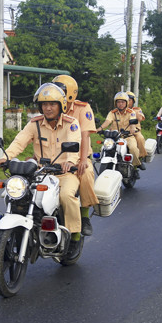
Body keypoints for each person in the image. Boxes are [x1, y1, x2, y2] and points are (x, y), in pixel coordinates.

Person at [0, 83, 83, 257]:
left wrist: (69, 161)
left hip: (64, 173)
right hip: (40, 174)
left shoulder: (71, 124)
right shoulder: (34, 124)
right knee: (16, 194)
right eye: (44, 104)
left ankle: (74, 237)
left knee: (66, 196)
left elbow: (75, 145)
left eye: (52, 104)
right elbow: (20, 141)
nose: (48, 108)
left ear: (61, 105)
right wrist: (6, 157)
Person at [52, 74, 98, 236]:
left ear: (70, 93)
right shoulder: (54, 107)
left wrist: (83, 160)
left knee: (85, 174)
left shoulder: (82, 108)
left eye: (62, 91)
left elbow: (85, 136)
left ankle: (84, 215)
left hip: (78, 157)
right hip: (56, 158)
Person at [96, 91, 143, 170]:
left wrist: (132, 129)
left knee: (133, 148)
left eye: (122, 102)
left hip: (127, 136)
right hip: (114, 137)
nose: (120, 104)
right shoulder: (112, 113)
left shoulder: (131, 112)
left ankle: (136, 165)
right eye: (118, 102)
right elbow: (107, 121)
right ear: (115, 103)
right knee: (104, 147)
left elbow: (132, 123)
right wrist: (99, 129)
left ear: (126, 103)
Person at [126, 91, 148, 166]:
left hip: (135, 131)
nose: (127, 102)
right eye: (126, 100)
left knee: (140, 138)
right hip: (123, 132)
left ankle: (140, 158)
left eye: (129, 100)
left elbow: (140, 118)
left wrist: (133, 112)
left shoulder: (137, 110)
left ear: (133, 101)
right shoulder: (119, 111)